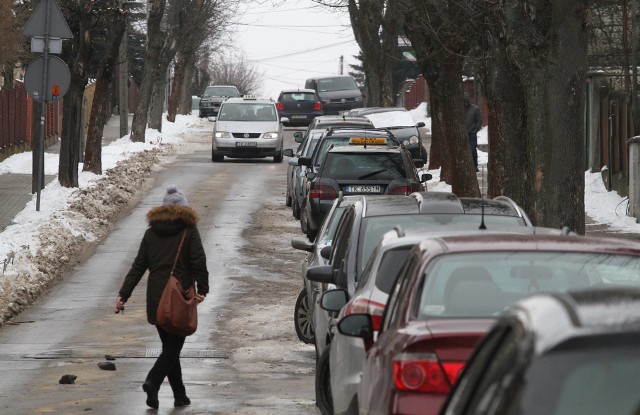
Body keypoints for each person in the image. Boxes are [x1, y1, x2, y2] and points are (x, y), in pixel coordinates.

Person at [114, 185, 209, 409]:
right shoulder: (189, 231)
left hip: (156, 298)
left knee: (170, 346)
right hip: (179, 297)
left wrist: (123, 294)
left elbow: (138, 266)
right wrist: (203, 289)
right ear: (184, 209)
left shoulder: (151, 232)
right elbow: (198, 262)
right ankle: (153, 381)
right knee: (173, 347)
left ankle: (179, 396)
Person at [464, 92, 483, 172]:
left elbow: (479, 121)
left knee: (472, 149)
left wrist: (476, 130)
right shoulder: (459, 109)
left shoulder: (475, 109)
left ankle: (475, 165)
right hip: (463, 133)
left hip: (471, 133)